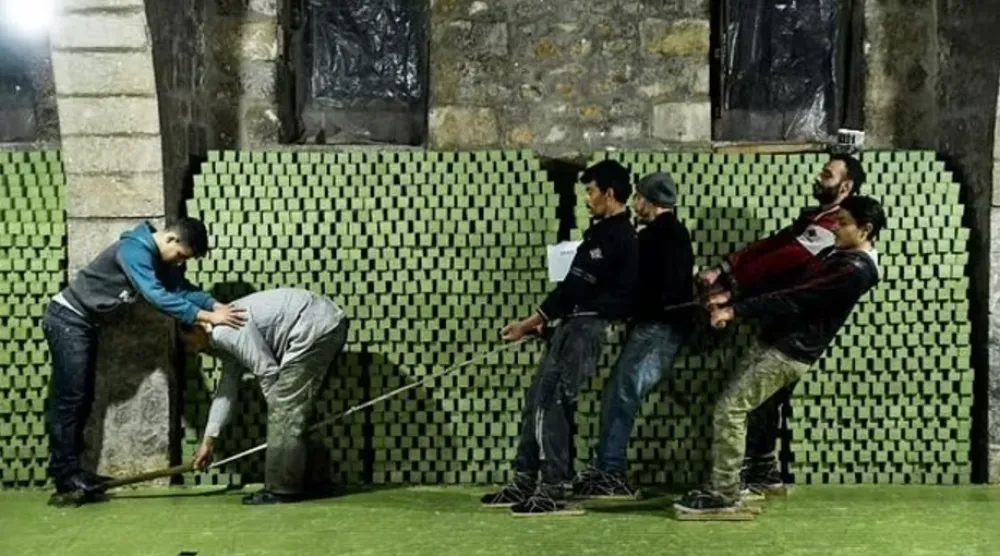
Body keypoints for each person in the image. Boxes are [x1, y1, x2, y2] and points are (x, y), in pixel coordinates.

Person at [675, 195, 884, 515]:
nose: (835, 228)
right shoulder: (837, 254)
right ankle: (742, 479)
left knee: (729, 409)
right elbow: (787, 280)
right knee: (741, 408)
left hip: (788, 352)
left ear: (866, 229)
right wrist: (729, 296)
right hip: (776, 340)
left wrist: (734, 310)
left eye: (843, 223)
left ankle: (724, 493)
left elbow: (796, 297)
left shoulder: (854, 270)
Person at [697, 153, 865, 496]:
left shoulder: (837, 238)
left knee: (733, 407)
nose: (819, 177)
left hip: (792, 340)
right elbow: (774, 244)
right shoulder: (817, 218)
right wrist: (728, 268)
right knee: (764, 403)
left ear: (846, 187)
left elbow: (786, 266)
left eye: (827, 174)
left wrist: (732, 296)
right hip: (780, 327)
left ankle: (724, 492)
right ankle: (762, 471)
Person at [43, 218, 246, 499]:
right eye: (181, 256)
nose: (179, 263)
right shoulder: (134, 251)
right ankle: (66, 477)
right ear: (171, 240)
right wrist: (207, 317)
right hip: (67, 319)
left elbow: (180, 289)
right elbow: (156, 295)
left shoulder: (161, 261)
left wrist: (215, 305)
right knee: (72, 399)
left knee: (82, 397)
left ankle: (72, 473)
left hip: (85, 324)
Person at [481, 160, 639, 516]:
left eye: (591, 191)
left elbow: (574, 288)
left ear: (609, 195)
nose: (587, 198)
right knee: (539, 400)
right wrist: (549, 324)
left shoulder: (616, 236)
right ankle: (525, 479)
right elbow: (579, 293)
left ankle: (552, 488)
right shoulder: (603, 233)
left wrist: (529, 322)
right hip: (574, 326)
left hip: (587, 330)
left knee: (551, 404)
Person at [572, 172, 694, 498]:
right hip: (659, 326)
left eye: (639, 197)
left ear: (648, 201)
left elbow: (651, 288)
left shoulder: (659, 236)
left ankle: (611, 474)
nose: (635, 203)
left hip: (659, 328)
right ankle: (606, 469)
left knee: (623, 394)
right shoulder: (671, 234)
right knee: (619, 394)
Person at [181, 287, 349, 505]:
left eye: (188, 342)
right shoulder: (221, 335)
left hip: (314, 325)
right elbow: (226, 390)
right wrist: (209, 441)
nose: (192, 350)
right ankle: (314, 481)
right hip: (325, 322)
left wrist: (280, 416)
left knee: (286, 409)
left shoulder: (224, 330)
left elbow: (267, 370)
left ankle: (282, 490)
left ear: (199, 327)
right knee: (293, 410)